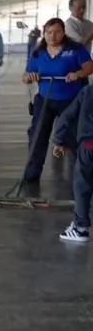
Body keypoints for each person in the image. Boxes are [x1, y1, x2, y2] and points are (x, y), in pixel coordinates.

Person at [22, 18, 93, 184]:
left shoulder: (75, 49)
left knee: (73, 137)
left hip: (70, 100)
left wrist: (78, 74)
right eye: (49, 32)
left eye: (57, 32)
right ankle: (32, 173)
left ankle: (79, 174)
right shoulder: (38, 53)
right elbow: (26, 75)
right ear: (44, 33)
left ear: (63, 33)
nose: (53, 36)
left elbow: (89, 66)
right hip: (45, 99)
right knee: (37, 135)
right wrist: (29, 77)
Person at [51, 84, 93, 242]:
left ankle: (80, 228)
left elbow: (67, 117)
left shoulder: (88, 91)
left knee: (82, 185)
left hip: (89, 146)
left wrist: (58, 141)